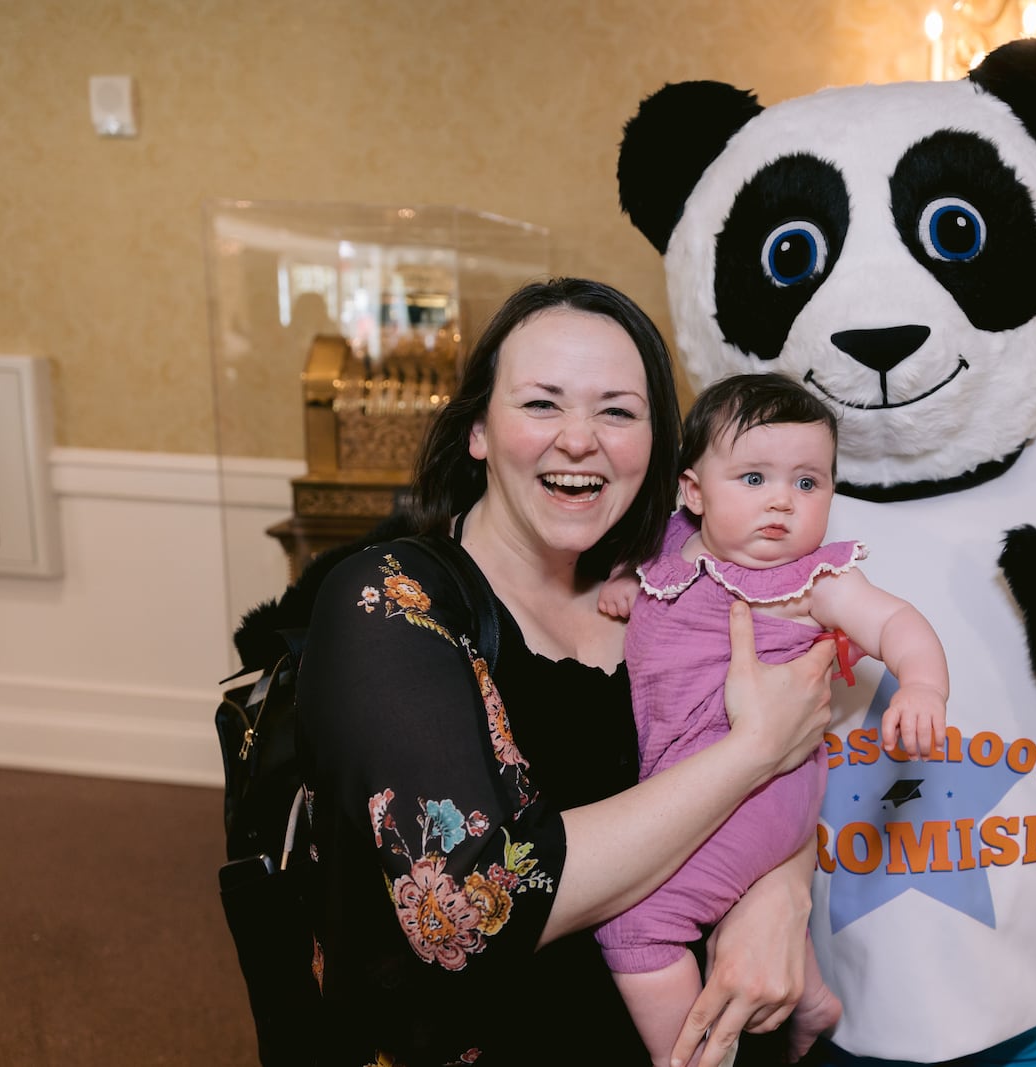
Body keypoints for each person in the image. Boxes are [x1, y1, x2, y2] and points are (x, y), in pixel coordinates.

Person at [294, 279, 839, 1067]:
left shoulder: (684, 580)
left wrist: (780, 890)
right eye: (542, 404)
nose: (579, 439)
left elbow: (804, 743)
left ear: (659, 446)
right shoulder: (389, 601)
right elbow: (466, 910)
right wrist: (750, 753)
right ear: (479, 429)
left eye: (618, 410)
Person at [594, 374, 951, 1066]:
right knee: (713, 899)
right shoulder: (669, 547)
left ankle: (690, 1056)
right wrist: (623, 586)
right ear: (694, 492)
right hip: (690, 777)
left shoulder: (816, 581)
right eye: (754, 477)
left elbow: (897, 622)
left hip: (767, 791)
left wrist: (924, 686)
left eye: (809, 482)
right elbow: (639, 580)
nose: (782, 502)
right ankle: (811, 995)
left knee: (638, 925)